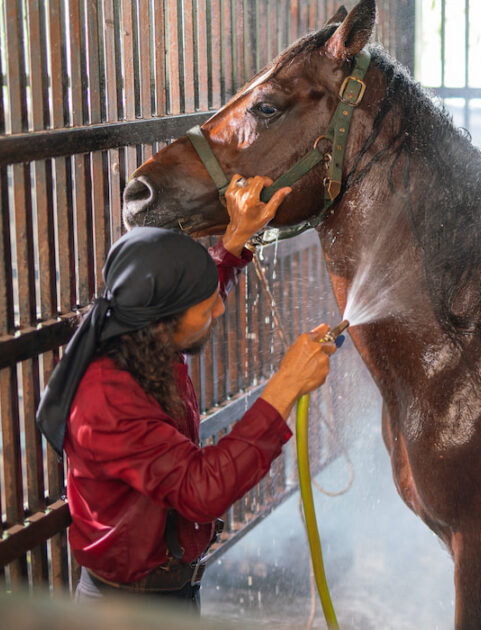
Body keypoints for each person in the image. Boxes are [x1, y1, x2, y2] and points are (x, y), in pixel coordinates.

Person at [34, 174, 337, 608]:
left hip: (166, 593)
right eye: (207, 305)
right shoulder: (105, 400)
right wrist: (286, 383)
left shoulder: (142, 334)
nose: (220, 306)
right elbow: (201, 489)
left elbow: (196, 291)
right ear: (163, 319)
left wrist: (236, 240)